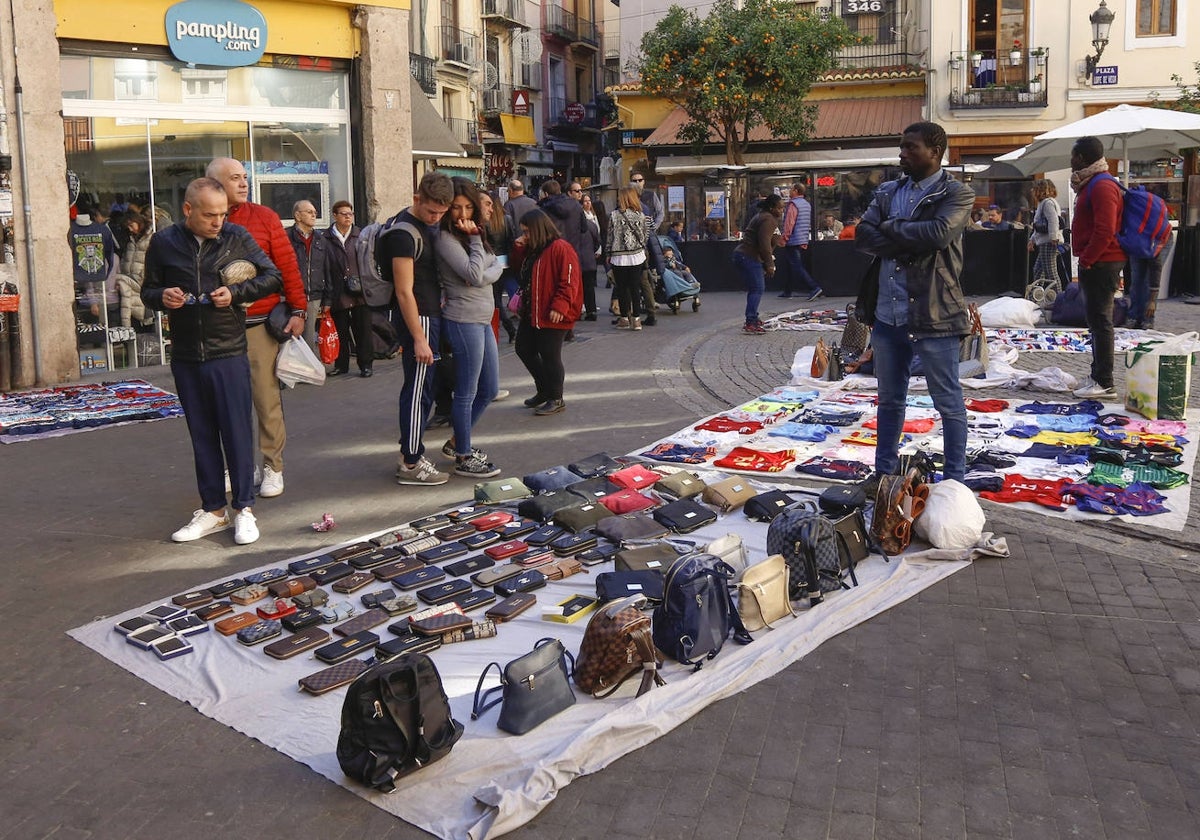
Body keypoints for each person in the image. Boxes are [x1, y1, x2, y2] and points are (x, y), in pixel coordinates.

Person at [141, 177, 281, 544]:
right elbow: (147, 291)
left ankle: (245, 510)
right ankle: (213, 510)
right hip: (186, 355)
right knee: (201, 436)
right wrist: (163, 296)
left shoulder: (237, 237)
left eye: (222, 213)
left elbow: (272, 277)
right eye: (209, 215)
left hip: (229, 349)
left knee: (236, 431)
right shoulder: (164, 241)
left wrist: (234, 293)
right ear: (188, 210)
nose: (218, 221)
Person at [855, 120, 974, 485]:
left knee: (948, 403)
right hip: (888, 315)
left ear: (935, 152)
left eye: (911, 147)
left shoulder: (957, 194)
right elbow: (862, 234)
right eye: (902, 146)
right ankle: (884, 475)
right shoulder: (889, 191)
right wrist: (908, 236)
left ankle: (955, 482)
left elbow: (938, 234)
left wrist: (890, 228)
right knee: (890, 400)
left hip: (934, 312)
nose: (902, 153)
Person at [206, 158, 307, 500]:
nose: (243, 183)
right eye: (235, 178)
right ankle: (238, 465)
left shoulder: (263, 217)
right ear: (215, 183)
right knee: (228, 404)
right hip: (219, 327)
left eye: (244, 177)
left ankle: (272, 466)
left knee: (266, 401)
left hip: (259, 325)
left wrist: (298, 309)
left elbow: (287, 265)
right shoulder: (204, 221)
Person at [380, 171, 454, 485]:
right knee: (417, 391)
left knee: (422, 389)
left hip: (426, 315)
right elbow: (403, 291)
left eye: (441, 212)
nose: (435, 218)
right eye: (430, 211)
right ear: (417, 199)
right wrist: (419, 338)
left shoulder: (417, 225)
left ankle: (410, 454)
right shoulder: (404, 234)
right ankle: (411, 461)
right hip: (419, 317)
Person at [433, 179, 503, 478]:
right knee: (467, 391)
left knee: (490, 388)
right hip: (463, 320)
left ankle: (456, 442)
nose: (462, 213)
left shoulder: (474, 236)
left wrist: (485, 269)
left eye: (468, 207)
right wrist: (476, 243)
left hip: (482, 319)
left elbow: (498, 265)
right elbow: (477, 273)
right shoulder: (447, 240)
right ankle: (463, 454)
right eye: (456, 207)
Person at [1069, 136, 1126, 399]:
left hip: (1103, 261)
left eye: (1073, 156)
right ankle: (1097, 375)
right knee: (1096, 321)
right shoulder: (1092, 183)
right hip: (1098, 260)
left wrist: (1088, 259)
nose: (1070, 161)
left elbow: (1105, 229)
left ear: (1081, 157)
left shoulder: (1102, 185)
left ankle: (1105, 382)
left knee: (1101, 322)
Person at [511, 208, 582, 415]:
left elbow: (569, 281)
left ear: (538, 229)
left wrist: (560, 306)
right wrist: (518, 249)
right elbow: (519, 272)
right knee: (524, 348)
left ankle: (556, 397)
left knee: (550, 354)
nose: (525, 235)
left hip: (553, 311)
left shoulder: (561, 248)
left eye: (527, 231)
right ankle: (544, 390)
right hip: (533, 309)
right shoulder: (533, 249)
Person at [324, 200, 373, 377]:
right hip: (337, 291)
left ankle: (366, 365)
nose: (347, 217)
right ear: (335, 216)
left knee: (363, 331)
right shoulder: (326, 238)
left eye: (350, 214)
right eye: (343, 214)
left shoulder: (360, 235)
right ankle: (341, 365)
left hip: (360, 291)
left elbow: (370, 262)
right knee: (340, 331)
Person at [69, 199, 119, 347]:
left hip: (106, 297)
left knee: (107, 336)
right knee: (97, 337)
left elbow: (112, 265)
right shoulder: (71, 232)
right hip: (96, 296)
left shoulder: (102, 231)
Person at [732, 192, 784, 334]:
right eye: (779, 208)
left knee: (755, 288)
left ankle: (753, 318)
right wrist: (769, 264)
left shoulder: (764, 217)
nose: (781, 211)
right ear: (772, 207)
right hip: (748, 256)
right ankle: (750, 322)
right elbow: (764, 243)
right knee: (757, 288)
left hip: (747, 255)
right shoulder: (768, 219)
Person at [288, 199, 334, 349]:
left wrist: (327, 299)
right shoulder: (285, 237)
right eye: (309, 212)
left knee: (308, 339)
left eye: (315, 212)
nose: (314, 215)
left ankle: (309, 370)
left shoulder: (321, 239)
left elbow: (327, 270)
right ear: (298, 216)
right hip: (289, 296)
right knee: (288, 337)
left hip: (313, 296)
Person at [606, 186, 650, 331]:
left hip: (619, 257)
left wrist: (608, 253)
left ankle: (624, 318)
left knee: (622, 288)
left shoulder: (614, 215)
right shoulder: (641, 215)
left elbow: (610, 237)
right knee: (635, 288)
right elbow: (645, 236)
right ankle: (637, 320)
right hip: (637, 256)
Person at [777, 183, 822, 301]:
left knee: (796, 265)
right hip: (802, 237)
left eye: (791, 189)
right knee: (790, 264)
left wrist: (784, 238)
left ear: (796, 191)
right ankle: (788, 290)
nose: (789, 192)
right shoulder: (806, 205)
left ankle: (814, 287)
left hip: (793, 238)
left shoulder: (793, 204)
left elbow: (789, 223)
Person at [115, 209, 154, 329]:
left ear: (139, 222)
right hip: (129, 277)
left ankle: (128, 328)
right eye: (128, 227)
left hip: (141, 280)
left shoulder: (151, 237)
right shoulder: (131, 239)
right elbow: (125, 258)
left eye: (131, 225)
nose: (130, 229)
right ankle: (128, 329)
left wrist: (144, 275)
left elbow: (154, 260)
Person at [1028, 180, 1064, 289]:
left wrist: (1054, 237)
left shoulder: (1047, 203)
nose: (1033, 191)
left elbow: (1053, 221)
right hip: (1046, 241)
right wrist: (1032, 240)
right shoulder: (1045, 203)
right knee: (1039, 269)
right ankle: (1036, 294)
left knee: (1050, 271)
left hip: (1048, 241)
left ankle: (1057, 297)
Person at [580, 192, 603, 320]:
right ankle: (591, 311)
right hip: (588, 257)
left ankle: (586, 309)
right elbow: (597, 239)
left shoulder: (592, 218)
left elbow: (597, 238)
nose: (587, 203)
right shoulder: (591, 224)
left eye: (589, 201)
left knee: (585, 285)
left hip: (583, 257)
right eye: (585, 201)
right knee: (588, 286)